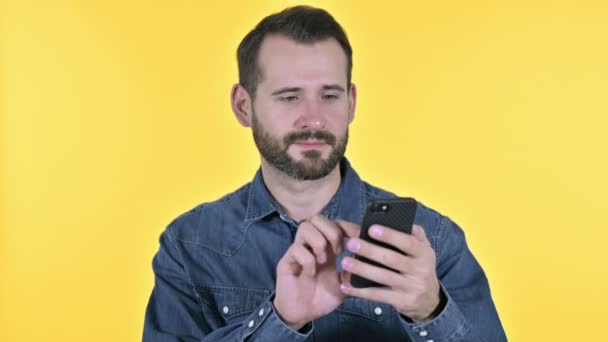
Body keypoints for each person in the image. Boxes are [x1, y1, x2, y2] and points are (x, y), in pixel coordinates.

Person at [143, 5, 506, 342]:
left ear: (351, 103)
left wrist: (431, 310)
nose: (314, 118)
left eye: (329, 96)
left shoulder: (432, 241)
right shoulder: (189, 245)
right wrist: (280, 319)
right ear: (243, 106)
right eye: (289, 97)